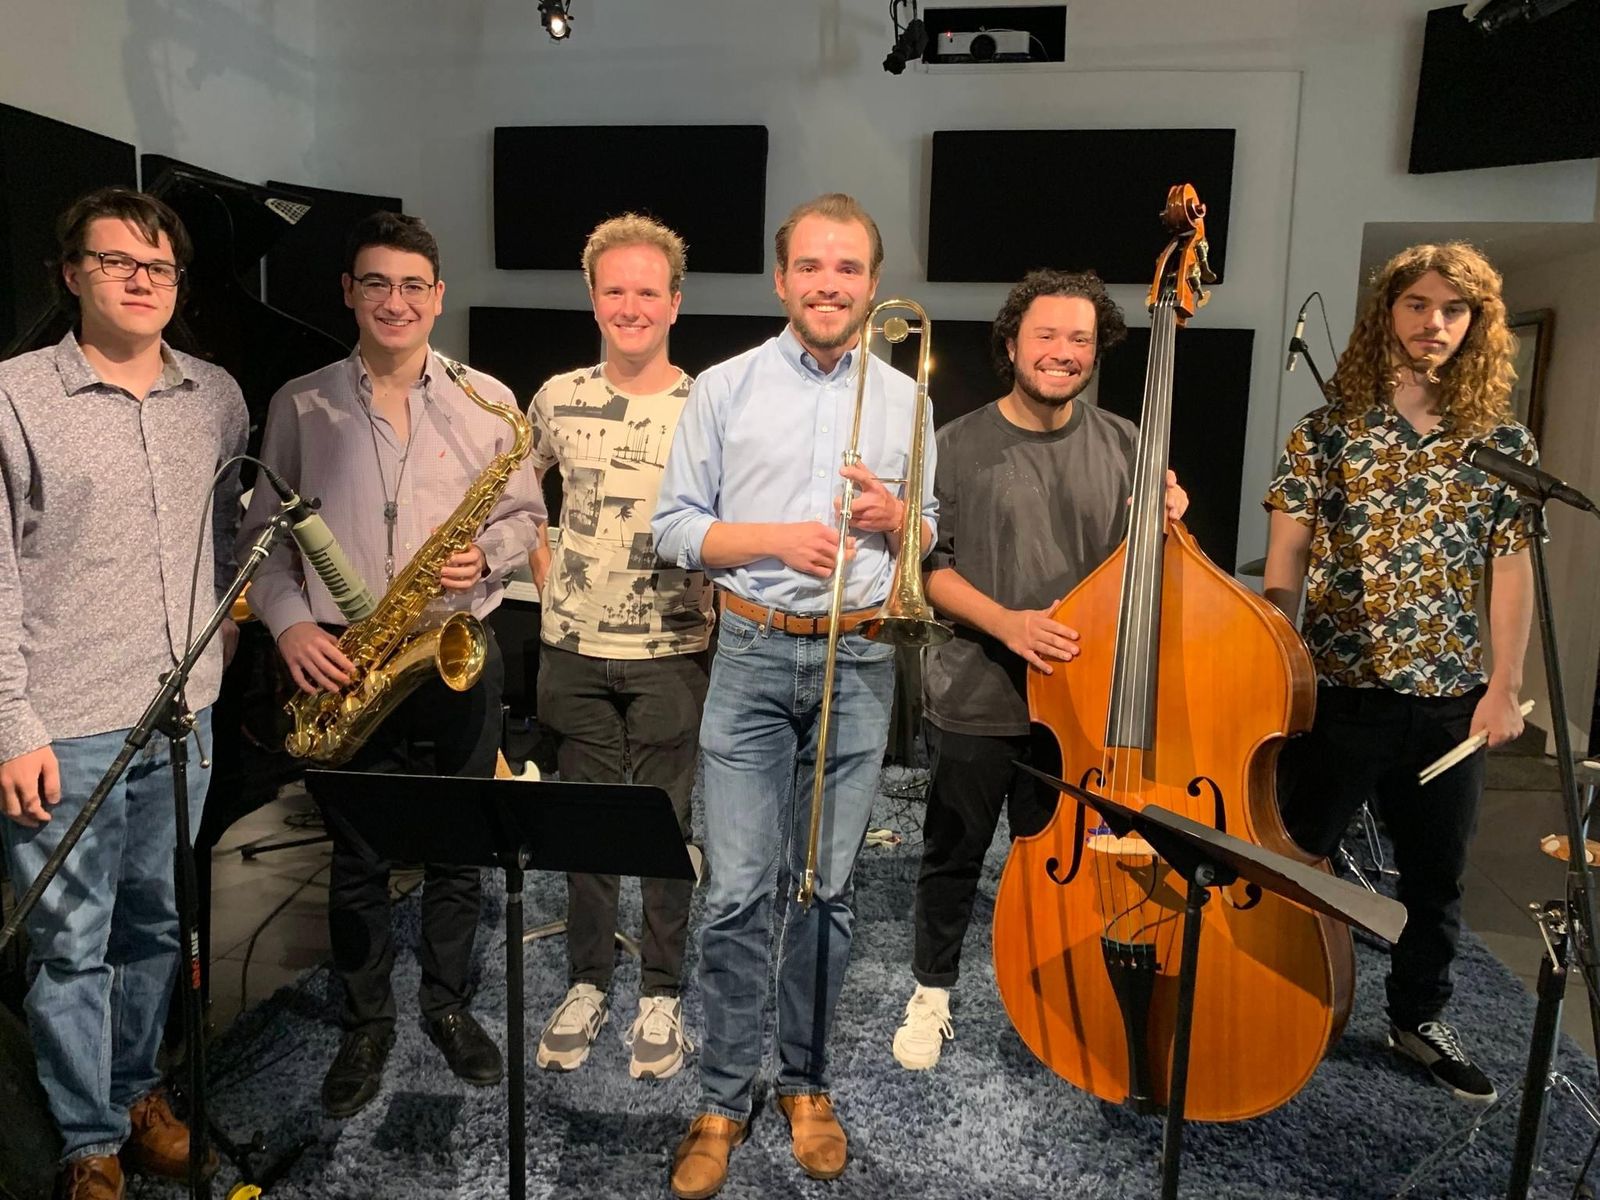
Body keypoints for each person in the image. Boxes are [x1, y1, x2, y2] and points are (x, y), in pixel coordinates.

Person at [652, 192, 936, 1199]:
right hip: (752, 652)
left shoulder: (907, 399)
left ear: (873, 283)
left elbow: (927, 531)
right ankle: (722, 1097)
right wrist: (774, 539)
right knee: (736, 890)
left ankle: (806, 1084)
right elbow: (673, 529)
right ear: (782, 280)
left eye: (847, 268)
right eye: (810, 266)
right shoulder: (724, 387)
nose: (828, 284)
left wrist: (899, 517)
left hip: (859, 661)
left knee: (828, 889)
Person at [238, 211, 544, 1119]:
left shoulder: (489, 399)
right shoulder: (300, 403)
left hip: (452, 651)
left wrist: (485, 556)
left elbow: (526, 519)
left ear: (438, 297)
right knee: (357, 852)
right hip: (345, 657)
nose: (396, 301)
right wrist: (291, 627)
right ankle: (366, 1021)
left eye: (414, 286)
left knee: (461, 848)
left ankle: (447, 1005)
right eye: (377, 283)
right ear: (350, 292)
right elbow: (262, 543)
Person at [0, 187, 247, 1200]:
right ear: (71, 274)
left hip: (186, 719)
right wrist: (11, 725)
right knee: (71, 945)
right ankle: (88, 1140)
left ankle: (139, 1092)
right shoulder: (15, 396)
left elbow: (225, 535)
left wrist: (224, 638)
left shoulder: (216, 395)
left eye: (158, 267)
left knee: (156, 925)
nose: (141, 281)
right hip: (63, 724)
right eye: (116, 262)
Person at [888, 269, 1187, 1072]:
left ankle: (1052, 991)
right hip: (978, 691)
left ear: (1098, 350)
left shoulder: (1129, 444)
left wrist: (1172, 525)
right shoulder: (954, 444)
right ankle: (932, 991)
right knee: (953, 854)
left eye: (1080, 339)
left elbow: (1147, 579)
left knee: (1062, 864)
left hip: (1084, 701)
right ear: (1012, 345)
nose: (1063, 352)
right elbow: (929, 571)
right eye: (1046, 335)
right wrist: (1009, 625)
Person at [1263, 241, 1534, 1105]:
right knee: (1295, 856)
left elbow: (1511, 571)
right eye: (1418, 304)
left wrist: (1503, 686)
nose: (1434, 323)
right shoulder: (1326, 430)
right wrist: (1275, 662)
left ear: (1477, 325)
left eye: (1453, 310)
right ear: (1388, 313)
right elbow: (1286, 559)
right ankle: (1271, 996)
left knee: (1435, 877)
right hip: (1340, 693)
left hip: (1449, 700)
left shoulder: (1500, 445)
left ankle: (1417, 1018)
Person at [527, 214, 712, 1081]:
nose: (630, 307)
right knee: (585, 828)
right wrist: (545, 570)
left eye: (647, 291)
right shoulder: (555, 396)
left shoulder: (708, 404)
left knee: (666, 829)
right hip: (572, 650)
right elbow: (516, 495)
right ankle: (588, 981)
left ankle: (661, 992)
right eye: (614, 291)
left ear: (674, 302)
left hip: (672, 649)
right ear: (592, 298)